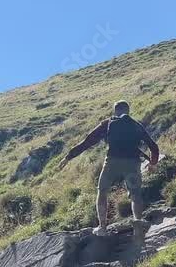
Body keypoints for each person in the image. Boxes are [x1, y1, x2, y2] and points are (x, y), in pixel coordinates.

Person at [60, 100, 159, 236]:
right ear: (128, 111)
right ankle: (138, 222)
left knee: (102, 191)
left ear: (115, 110)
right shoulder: (136, 125)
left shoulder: (108, 123)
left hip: (111, 162)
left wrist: (68, 156)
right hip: (132, 163)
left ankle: (102, 227)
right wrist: (152, 163)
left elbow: (87, 141)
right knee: (135, 194)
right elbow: (154, 147)